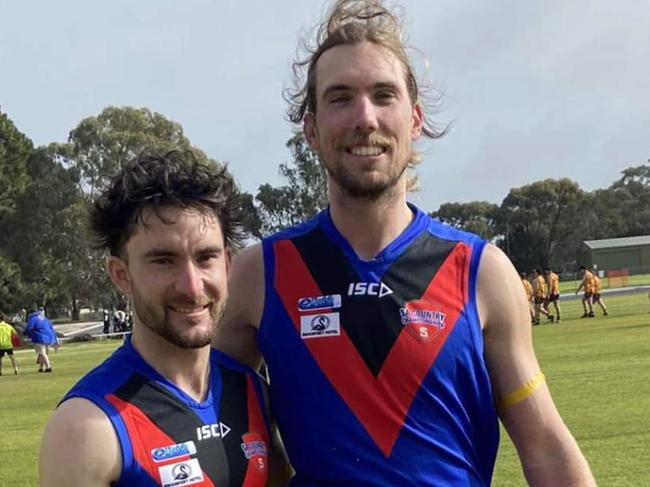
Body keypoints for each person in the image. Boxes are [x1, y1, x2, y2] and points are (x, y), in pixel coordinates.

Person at [215, 1, 595, 485]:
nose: (365, 118)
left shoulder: (482, 272)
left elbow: (545, 447)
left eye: (383, 95)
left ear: (414, 121)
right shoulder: (259, 275)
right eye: (340, 98)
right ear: (310, 129)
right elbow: (216, 425)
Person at [39, 150, 289, 487]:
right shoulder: (86, 427)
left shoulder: (253, 391)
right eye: (163, 260)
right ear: (121, 274)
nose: (191, 286)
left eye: (205, 258)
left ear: (228, 265)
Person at [24, 308, 54, 372]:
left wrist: (25, 333)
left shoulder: (33, 319)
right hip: (49, 338)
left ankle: (48, 367)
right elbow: (51, 327)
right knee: (41, 353)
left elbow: (29, 328)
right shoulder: (45, 319)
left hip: (39, 338)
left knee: (42, 353)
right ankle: (41, 368)